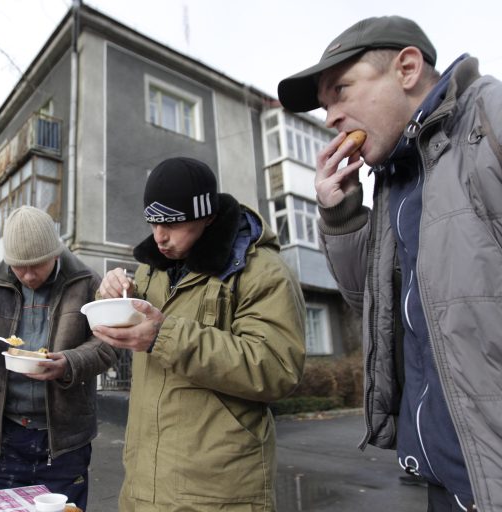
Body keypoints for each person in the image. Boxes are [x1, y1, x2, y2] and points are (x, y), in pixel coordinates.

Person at [278, 15, 502, 511]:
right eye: (325, 104)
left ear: (406, 68)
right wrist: (339, 214)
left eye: (341, 89)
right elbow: (373, 308)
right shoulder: (394, 181)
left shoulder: (488, 116)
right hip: (447, 473)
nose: (330, 116)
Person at [93, 157, 306, 511]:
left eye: (173, 224)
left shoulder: (262, 272)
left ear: (207, 217)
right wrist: (113, 295)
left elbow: (277, 368)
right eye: (153, 222)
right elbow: (131, 327)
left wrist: (164, 337)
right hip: (143, 485)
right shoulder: (151, 271)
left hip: (220, 492)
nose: (159, 237)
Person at [0, 205, 117, 511]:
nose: (27, 275)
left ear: (55, 253)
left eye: (36, 265)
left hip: (65, 439)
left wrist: (69, 362)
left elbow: (108, 343)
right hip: (2, 436)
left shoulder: (85, 280)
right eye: (18, 266)